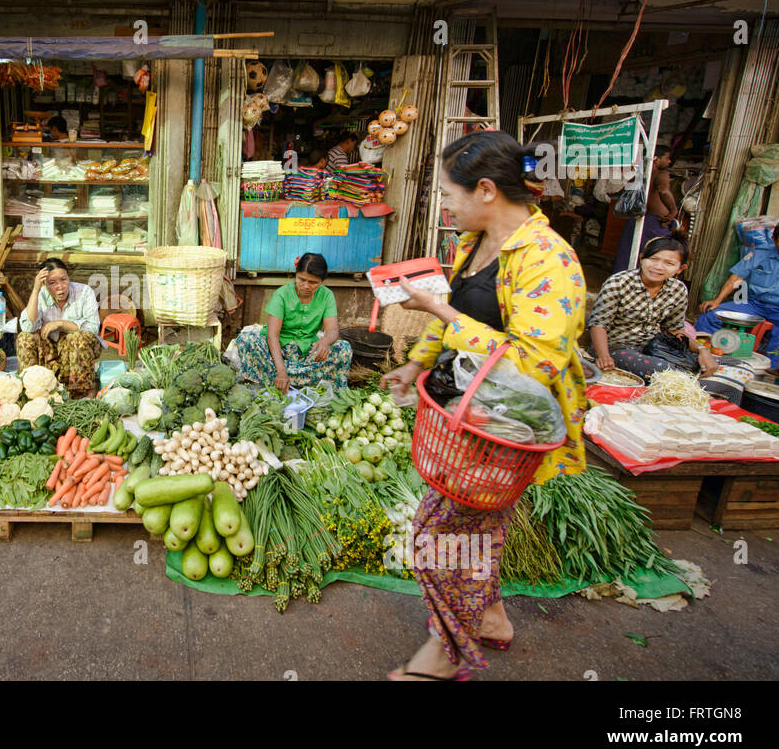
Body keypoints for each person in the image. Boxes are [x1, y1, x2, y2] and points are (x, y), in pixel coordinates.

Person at [380, 130, 587, 681]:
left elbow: (535, 363)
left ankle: (443, 657)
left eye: (449, 193)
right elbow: (454, 309)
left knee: (438, 537)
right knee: (476, 529)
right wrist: (420, 360)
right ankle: (490, 618)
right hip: (465, 419)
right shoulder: (475, 245)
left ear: (487, 190)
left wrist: (442, 316)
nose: (444, 205)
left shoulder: (548, 259)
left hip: (507, 431)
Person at [589, 237, 718, 379]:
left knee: (721, 367)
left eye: (669, 263)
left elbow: (674, 329)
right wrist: (604, 356)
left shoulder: (678, 289)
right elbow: (598, 324)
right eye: (653, 259)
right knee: (674, 375)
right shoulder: (618, 283)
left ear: (680, 269)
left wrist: (702, 350)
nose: (658, 266)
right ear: (642, 258)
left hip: (653, 347)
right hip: (614, 348)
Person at [235, 253, 351, 392]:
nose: (306, 286)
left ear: (321, 281)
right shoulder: (282, 294)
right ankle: (294, 379)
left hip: (307, 352)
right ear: (295, 275)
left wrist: (326, 341)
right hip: (278, 352)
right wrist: (281, 371)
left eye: (313, 282)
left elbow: (332, 330)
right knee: (247, 339)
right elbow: (273, 336)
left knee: (344, 349)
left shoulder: (327, 296)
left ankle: (275, 380)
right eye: (301, 279)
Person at [696, 220, 779, 356]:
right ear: (774, 240)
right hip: (753, 304)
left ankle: (775, 371)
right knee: (711, 314)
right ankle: (702, 353)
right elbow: (736, 277)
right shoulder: (760, 253)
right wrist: (717, 300)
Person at [16, 258, 101, 396]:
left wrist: (60, 323)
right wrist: (36, 290)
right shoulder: (41, 294)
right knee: (24, 338)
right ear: (44, 284)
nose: (60, 286)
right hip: (51, 348)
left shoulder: (84, 292)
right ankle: (31, 390)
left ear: (69, 277)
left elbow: (92, 328)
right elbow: (27, 327)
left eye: (64, 279)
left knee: (77, 337)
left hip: (79, 348)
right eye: (52, 283)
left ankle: (79, 393)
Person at [612, 151, 677, 273]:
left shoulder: (637, 174)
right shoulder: (661, 174)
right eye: (667, 158)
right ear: (656, 159)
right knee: (651, 256)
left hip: (635, 219)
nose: (669, 161)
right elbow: (664, 191)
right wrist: (673, 210)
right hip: (653, 223)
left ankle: (623, 278)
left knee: (627, 254)